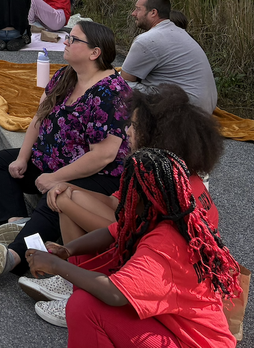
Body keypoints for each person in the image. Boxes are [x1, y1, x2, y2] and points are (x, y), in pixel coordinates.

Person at [25, 149, 241, 341]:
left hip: (190, 341)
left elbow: (115, 293)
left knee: (83, 306)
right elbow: (112, 232)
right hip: (178, 327)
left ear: (143, 197)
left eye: (128, 192)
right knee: (87, 292)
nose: (124, 198)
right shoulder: (171, 217)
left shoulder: (164, 245)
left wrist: (55, 266)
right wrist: (67, 250)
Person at [0, 21, 131, 282]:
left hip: (96, 174)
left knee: (56, 196)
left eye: (73, 40)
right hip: (51, 159)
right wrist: (22, 158)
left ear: (95, 53)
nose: (66, 42)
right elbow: (39, 117)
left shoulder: (112, 93)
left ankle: (15, 256)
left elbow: (103, 156)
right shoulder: (66, 75)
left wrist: (56, 177)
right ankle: (18, 221)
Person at [29, 83, 223, 253]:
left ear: (156, 137)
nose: (126, 131)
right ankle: (70, 269)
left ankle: (71, 274)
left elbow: (122, 233)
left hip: (154, 266)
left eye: (134, 126)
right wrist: (68, 188)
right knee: (72, 194)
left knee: (67, 200)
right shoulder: (174, 171)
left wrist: (65, 204)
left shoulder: (160, 184)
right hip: (159, 254)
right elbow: (116, 203)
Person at [120, 0, 218, 114]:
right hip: (205, 107)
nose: (133, 13)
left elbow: (125, 79)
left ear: (153, 13)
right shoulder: (180, 32)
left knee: (115, 84)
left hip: (186, 111)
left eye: (138, 9)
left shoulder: (147, 40)